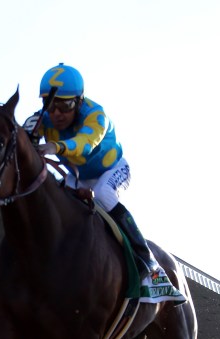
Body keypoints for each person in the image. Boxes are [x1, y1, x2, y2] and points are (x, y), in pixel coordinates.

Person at [26, 63, 184, 303]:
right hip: (77, 175)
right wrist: (25, 136)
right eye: (50, 104)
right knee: (53, 200)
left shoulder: (96, 116)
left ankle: (149, 266)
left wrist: (55, 146)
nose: (56, 113)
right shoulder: (43, 119)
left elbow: (85, 144)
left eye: (64, 105)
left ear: (79, 102)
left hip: (113, 171)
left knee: (102, 193)